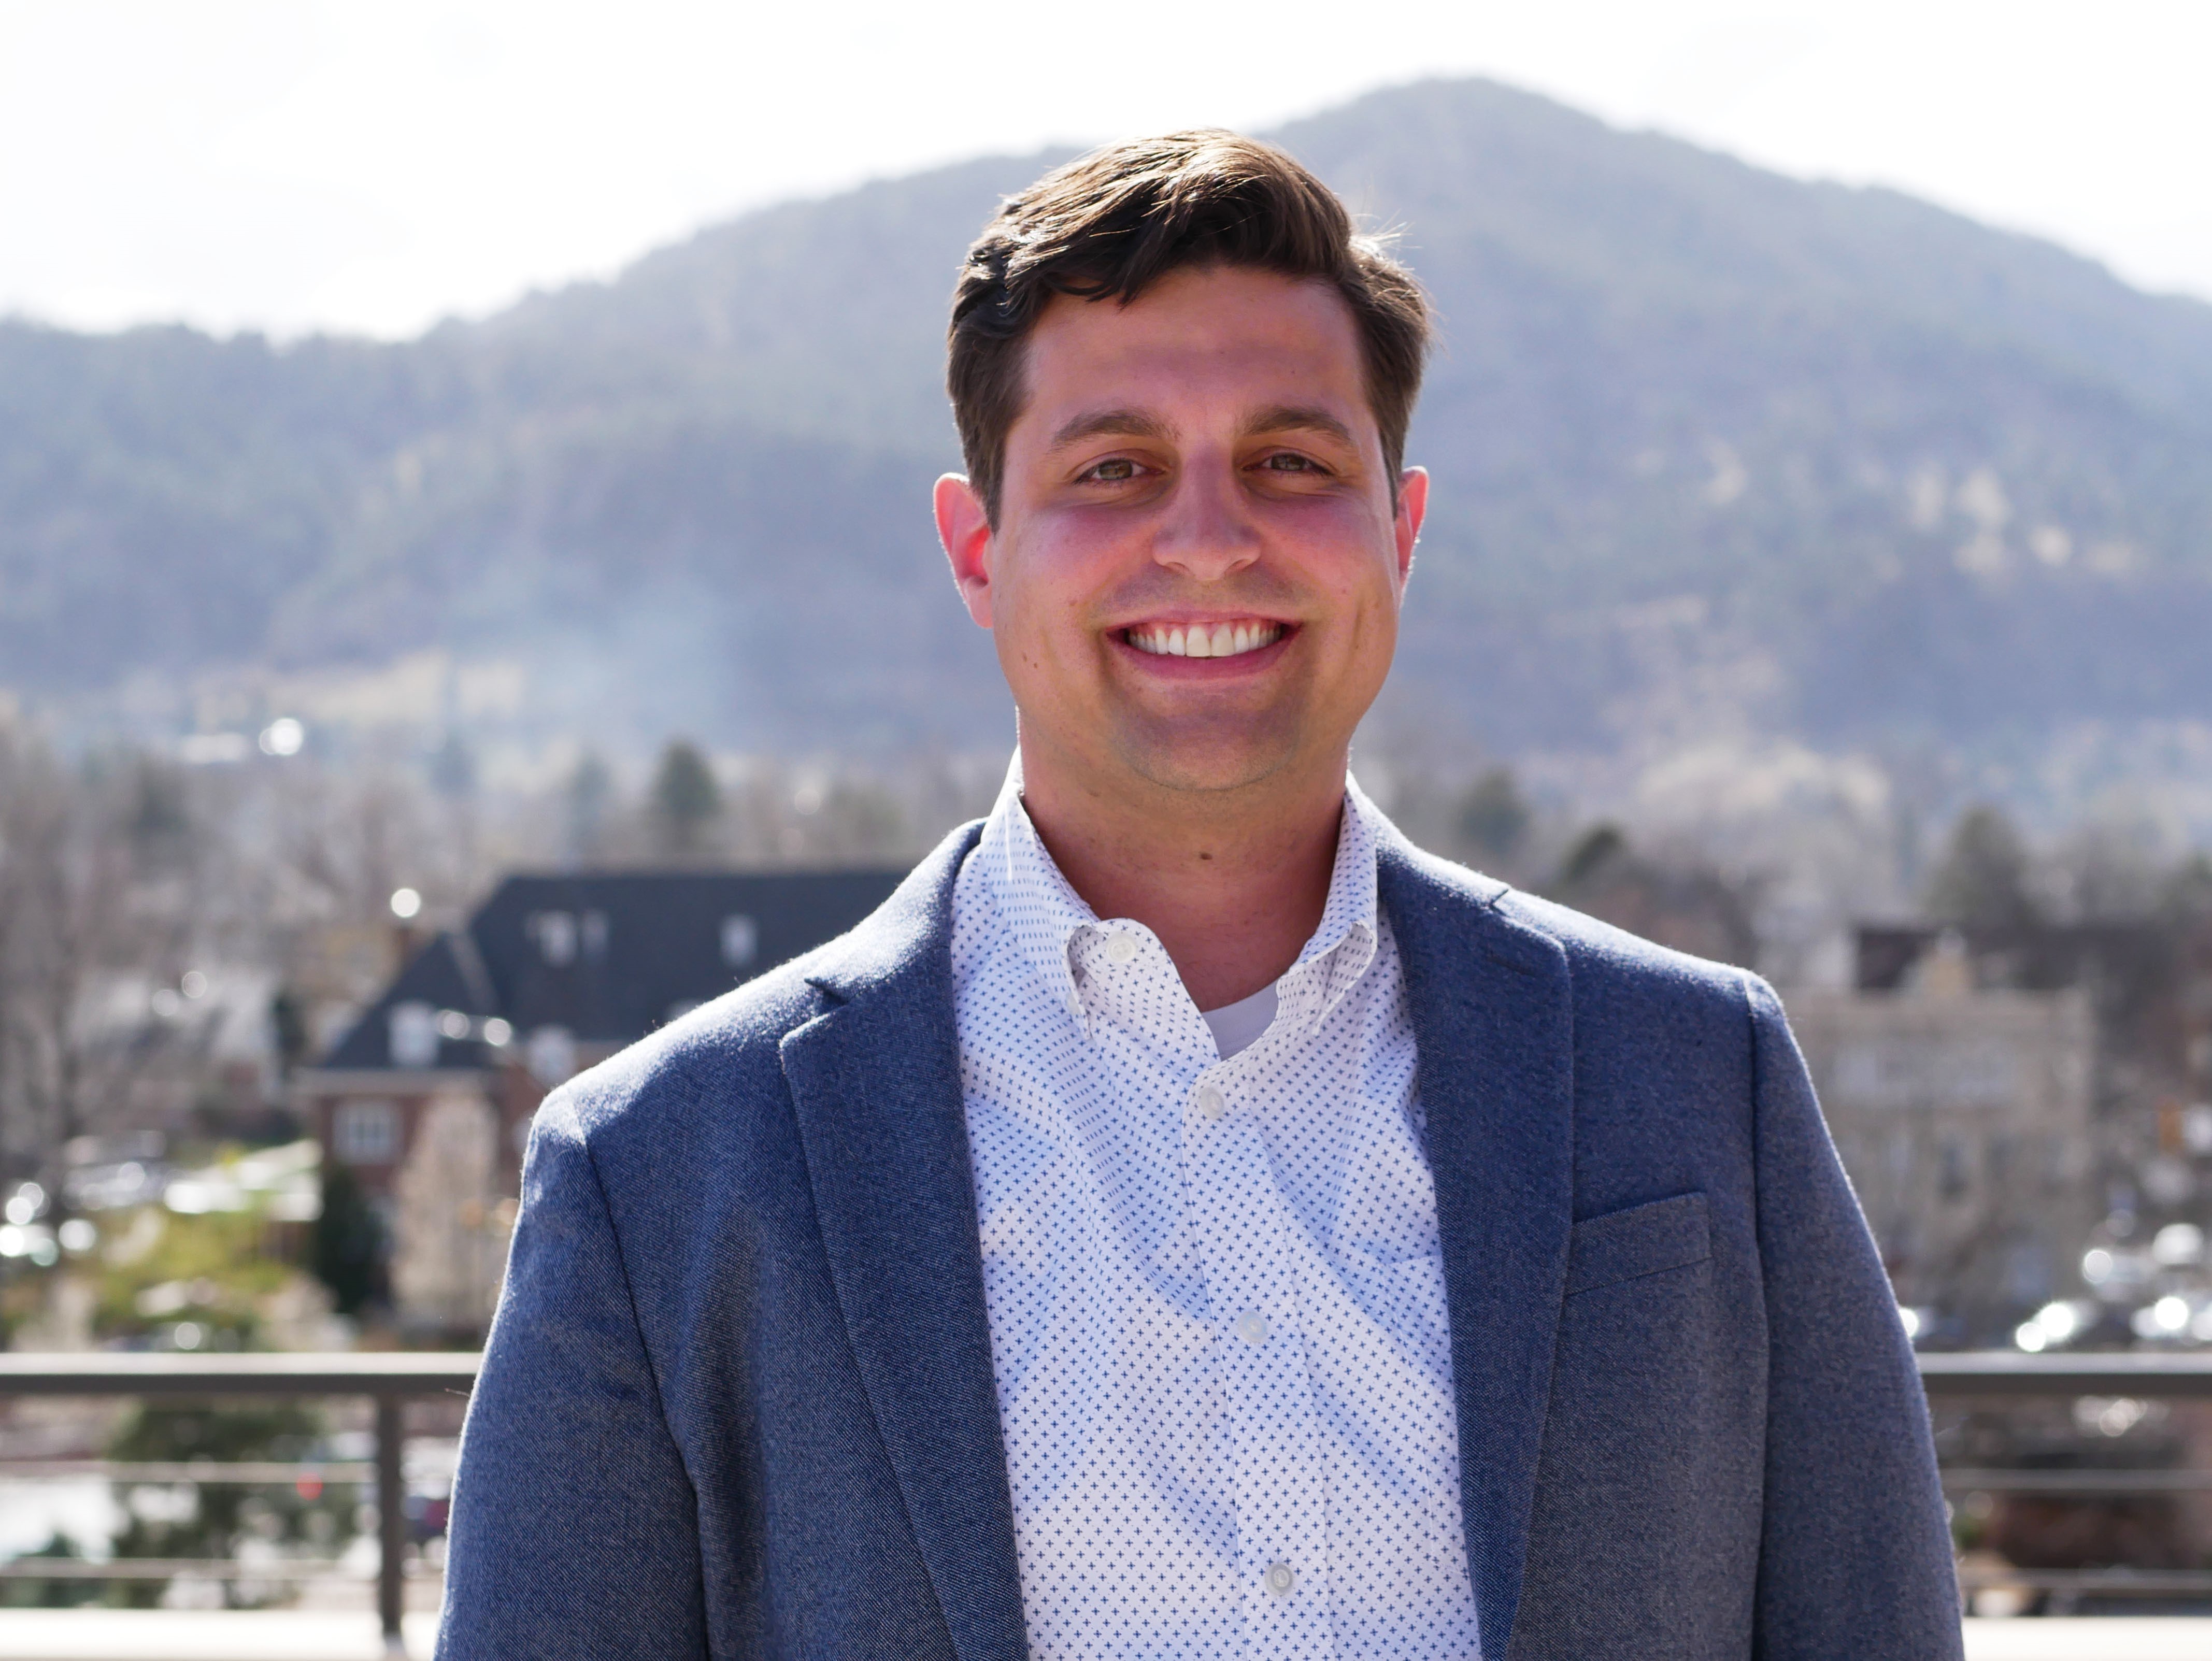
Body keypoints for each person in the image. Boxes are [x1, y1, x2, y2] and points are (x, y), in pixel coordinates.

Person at [438, 132, 1961, 1659]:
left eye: (1293, 463)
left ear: (1401, 533)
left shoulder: (1700, 1083)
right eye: (1116, 469)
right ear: (978, 553)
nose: (1213, 539)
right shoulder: (661, 1179)